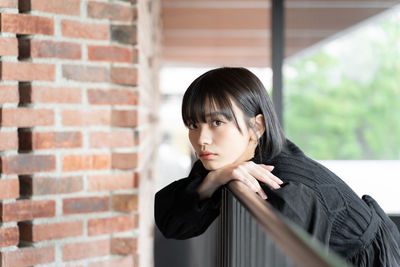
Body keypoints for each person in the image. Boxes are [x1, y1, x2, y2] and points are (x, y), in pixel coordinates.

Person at [154, 67, 400, 266]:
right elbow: (171, 223)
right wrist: (213, 181)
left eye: (217, 122)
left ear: (257, 127)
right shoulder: (228, 160)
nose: (201, 138)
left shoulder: (284, 184)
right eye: (193, 125)